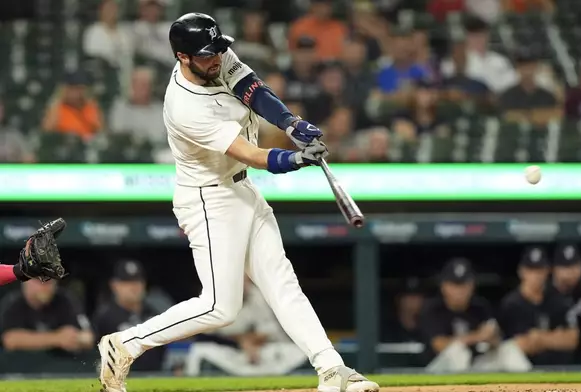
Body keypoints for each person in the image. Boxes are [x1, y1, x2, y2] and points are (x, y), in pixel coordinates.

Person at [97, 13, 379, 392]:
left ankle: (332, 370)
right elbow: (251, 154)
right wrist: (294, 158)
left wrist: (291, 124)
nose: (216, 58)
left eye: (217, 49)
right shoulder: (184, 105)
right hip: (209, 199)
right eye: (205, 54)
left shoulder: (215, 58)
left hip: (241, 190)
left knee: (282, 282)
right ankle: (125, 344)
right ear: (182, 57)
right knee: (220, 307)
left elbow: (252, 88)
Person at [498, 246, 579, 370]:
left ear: (547, 271)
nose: (536, 275)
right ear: (521, 271)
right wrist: (554, 337)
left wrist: (540, 337)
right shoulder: (511, 304)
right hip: (521, 371)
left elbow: (572, 340)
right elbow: (515, 344)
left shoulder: (559, 299)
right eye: (531, 270)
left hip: (558, 369)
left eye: (540, 270)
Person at [421, 258, 498, 373]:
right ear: (444, 286)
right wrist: (477, 336)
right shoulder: (433, 308)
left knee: (507, 351)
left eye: (464, 285)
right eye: (454, 285)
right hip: (438, 371)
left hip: (476, 366)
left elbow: (495, 341)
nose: (459, 291)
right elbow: (439, 345)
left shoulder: (480, 307)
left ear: (472, 285)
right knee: (458, 353)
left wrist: (492, 337)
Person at [93, 260, 166, 371]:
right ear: (114, 285)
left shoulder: (153, 313)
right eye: (126, 282)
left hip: (155, 375)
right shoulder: (105, 317)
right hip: (122, 379)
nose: (134, 287)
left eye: (137, 281)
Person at [0, 278, 94, 353]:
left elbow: (88, 337)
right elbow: (10, 340)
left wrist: (75, 338)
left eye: (49, 281)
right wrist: (57, 338)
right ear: (27, 283)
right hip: (21, 369)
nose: (46, 287)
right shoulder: (13, 303)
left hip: (62, 367)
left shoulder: (65, 300)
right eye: (40, 282)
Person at [549, 244, 581, 364]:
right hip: (552, 353)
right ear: (554, 269)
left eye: (574, 266)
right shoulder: (545, 293)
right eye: (565, 267)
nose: (570, 272)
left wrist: (578, 336)